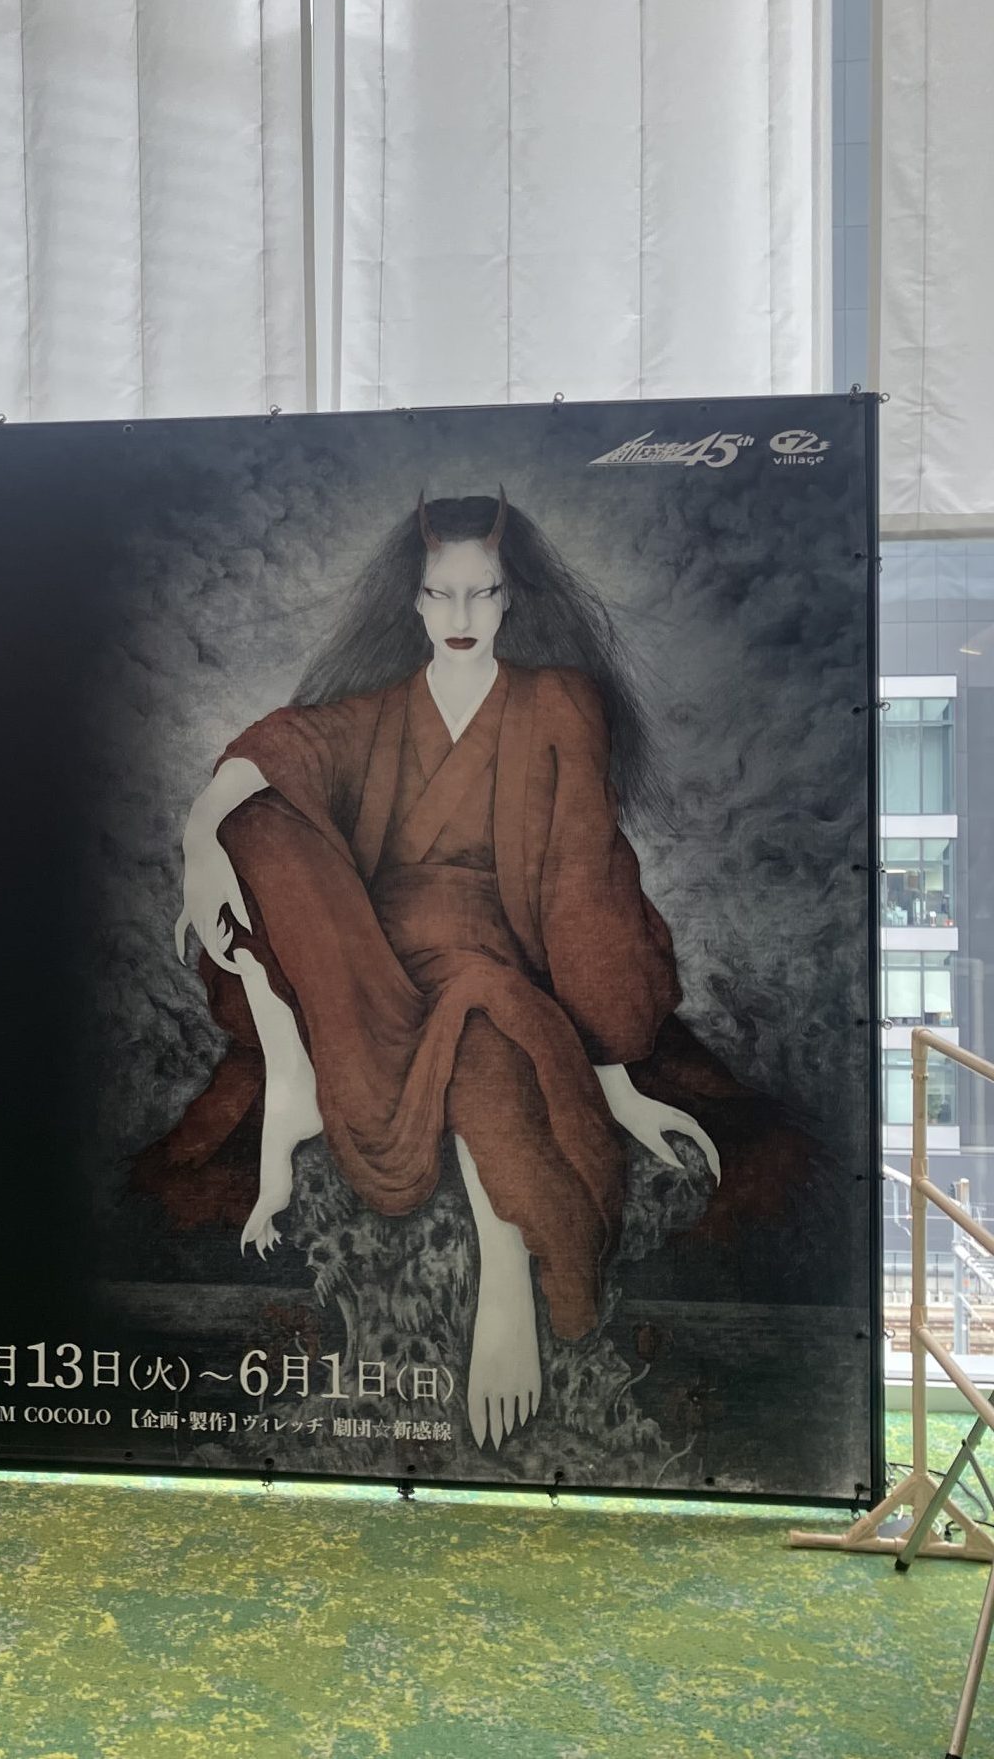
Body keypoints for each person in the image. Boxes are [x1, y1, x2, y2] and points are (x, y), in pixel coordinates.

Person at [150, 490, 733, 1453]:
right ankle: (298, 1068)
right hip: (373, 958)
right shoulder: (380, 712)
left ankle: (507, 1283)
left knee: (485, 1045)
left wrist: (613, 1075)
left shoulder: (558, 703)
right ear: (414, 602)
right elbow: (275, 749)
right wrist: (199, 840)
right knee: (256, 816)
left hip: (494, 956)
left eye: (482, 593)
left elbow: (583, 880)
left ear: (511, 598)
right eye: (440, 594)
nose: (461, 615)